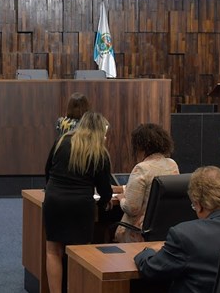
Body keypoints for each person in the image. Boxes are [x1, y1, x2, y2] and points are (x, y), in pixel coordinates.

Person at [43, 111, 113, 293]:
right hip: (81, 206)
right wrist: (104, 202)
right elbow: (105, 189)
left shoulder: (62, 142)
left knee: (53, 251)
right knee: (80, 254)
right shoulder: (99, 152)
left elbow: (48, 171)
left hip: (54, 201)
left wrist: (52, 191)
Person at [114, 123, 180, 243]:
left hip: (139, 232)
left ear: (140, 146)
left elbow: (131, 208)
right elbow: (150, 189)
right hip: (163, 230)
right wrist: (123, 188)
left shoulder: (142, 168)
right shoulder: (172, 164)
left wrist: (121, 198)